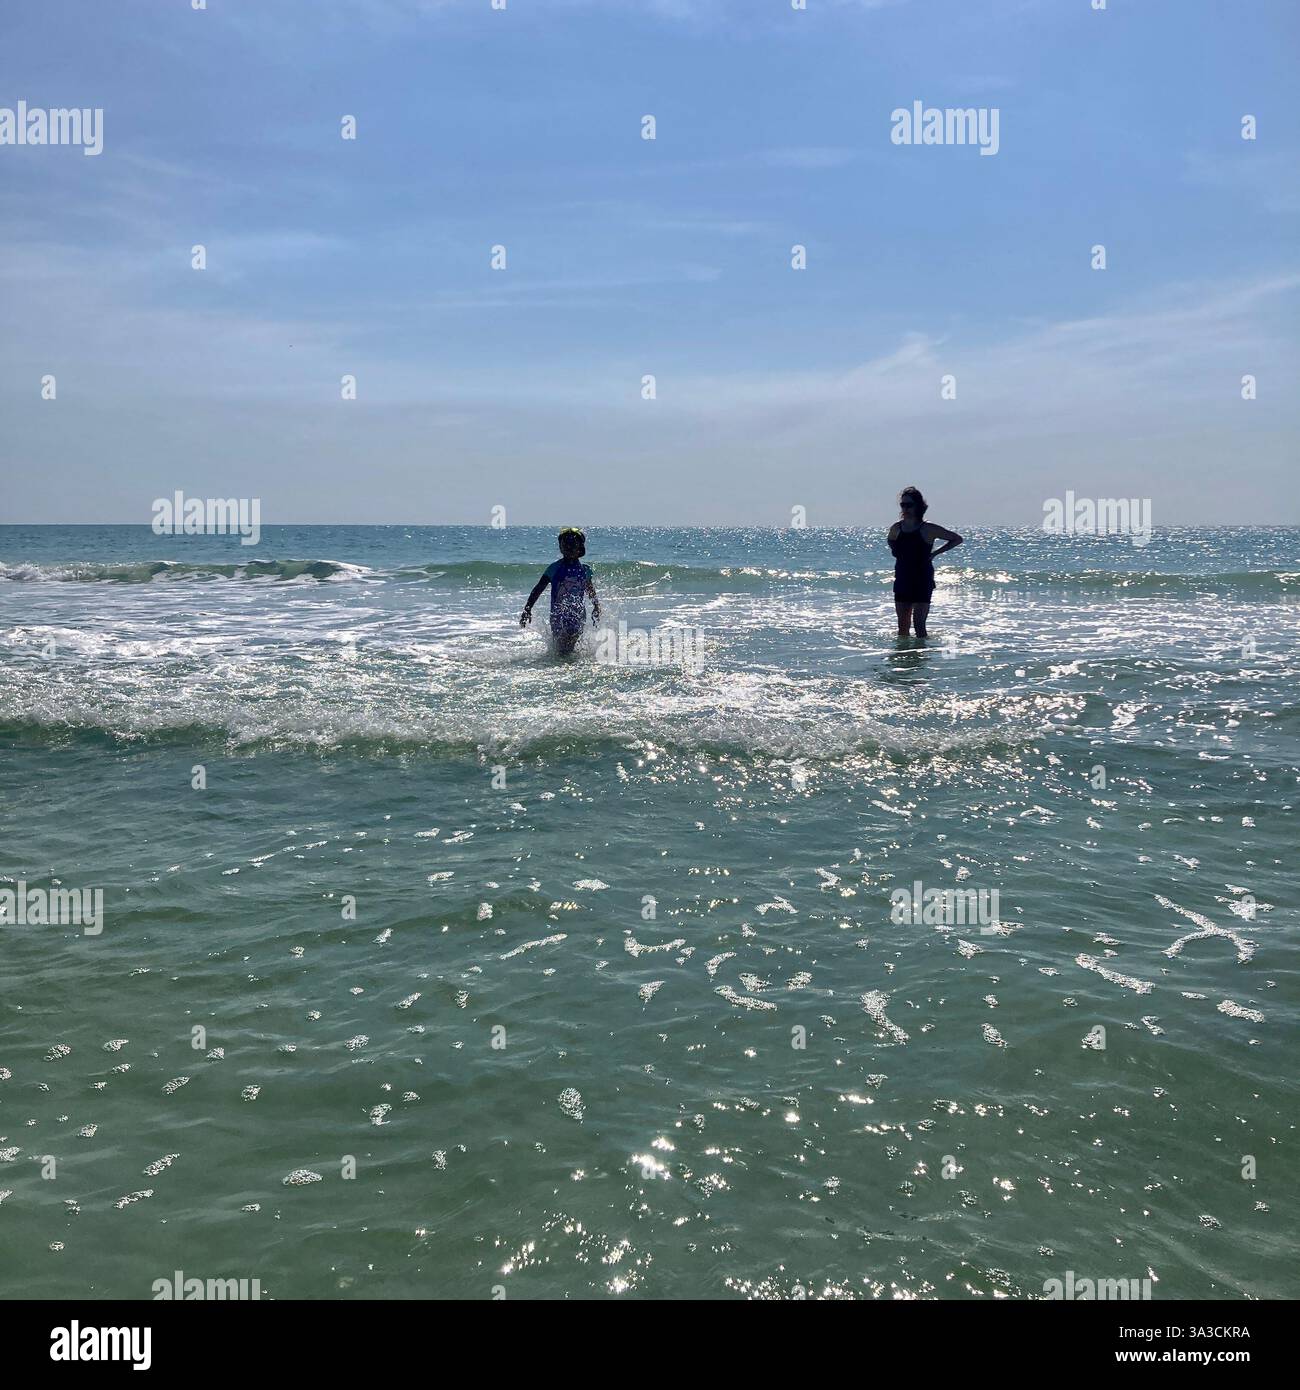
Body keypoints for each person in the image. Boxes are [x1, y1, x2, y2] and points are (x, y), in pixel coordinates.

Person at [887, 486, 962, 639]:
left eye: (909, 505)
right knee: (902, 626)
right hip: (902, 578)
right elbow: (891, 540)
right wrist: (896, 551)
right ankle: (903, 659)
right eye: (903, 505)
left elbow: (956, 539)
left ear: (919, 506)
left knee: (919, 625)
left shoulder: (928, 528)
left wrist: (935, 553)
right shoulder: (897, 527)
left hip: (922, 579)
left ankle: (920, 660)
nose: (905, 508)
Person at [520, 527, 600, 655]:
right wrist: (527, 608)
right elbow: (538, 589)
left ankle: (566, 667)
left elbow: (590, 590)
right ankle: (563, 667)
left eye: (572, 544)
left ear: (580, 548)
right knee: (561, 649)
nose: (568, 547)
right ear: (560, 547)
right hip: (558, 616)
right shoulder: (554, 568)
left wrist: (596, 606)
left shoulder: (585, 570)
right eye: (565, 544)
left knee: (569, 641)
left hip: (577, 615)